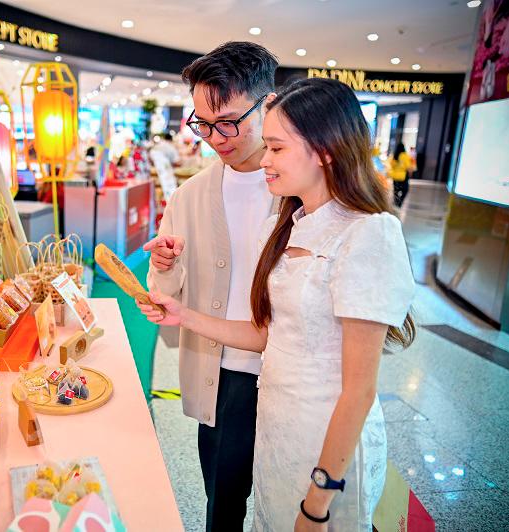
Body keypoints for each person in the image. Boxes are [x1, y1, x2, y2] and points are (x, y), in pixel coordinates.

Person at [138, 78, 415, 531]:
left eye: (277, 148)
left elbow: (359, 390)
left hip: (326, 448)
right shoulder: (287, 223)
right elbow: (267, 334)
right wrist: (183, 315)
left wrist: (318, 502)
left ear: (325, 149)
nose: (264, 160)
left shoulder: (368, 233)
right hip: (276, 432)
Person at [144, 41, 279, 531]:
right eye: (203, 123)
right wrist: (163, 265)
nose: (216, 137)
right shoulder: (190, 194)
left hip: (286, 373)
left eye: (229, 122)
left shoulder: (297, 187)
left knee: (286, 502)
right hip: (220, 373)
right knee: (221, 503)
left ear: (267, 104)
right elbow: (166, 290)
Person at [387, 142, 413, 208]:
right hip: (403, 176)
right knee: (405, 190)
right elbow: (408, 167)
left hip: (395, 176)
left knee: (396, 191)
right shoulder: (405, 155)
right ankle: (399, 204)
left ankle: (396, 203)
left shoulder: (394, 156)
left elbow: (391, 165)